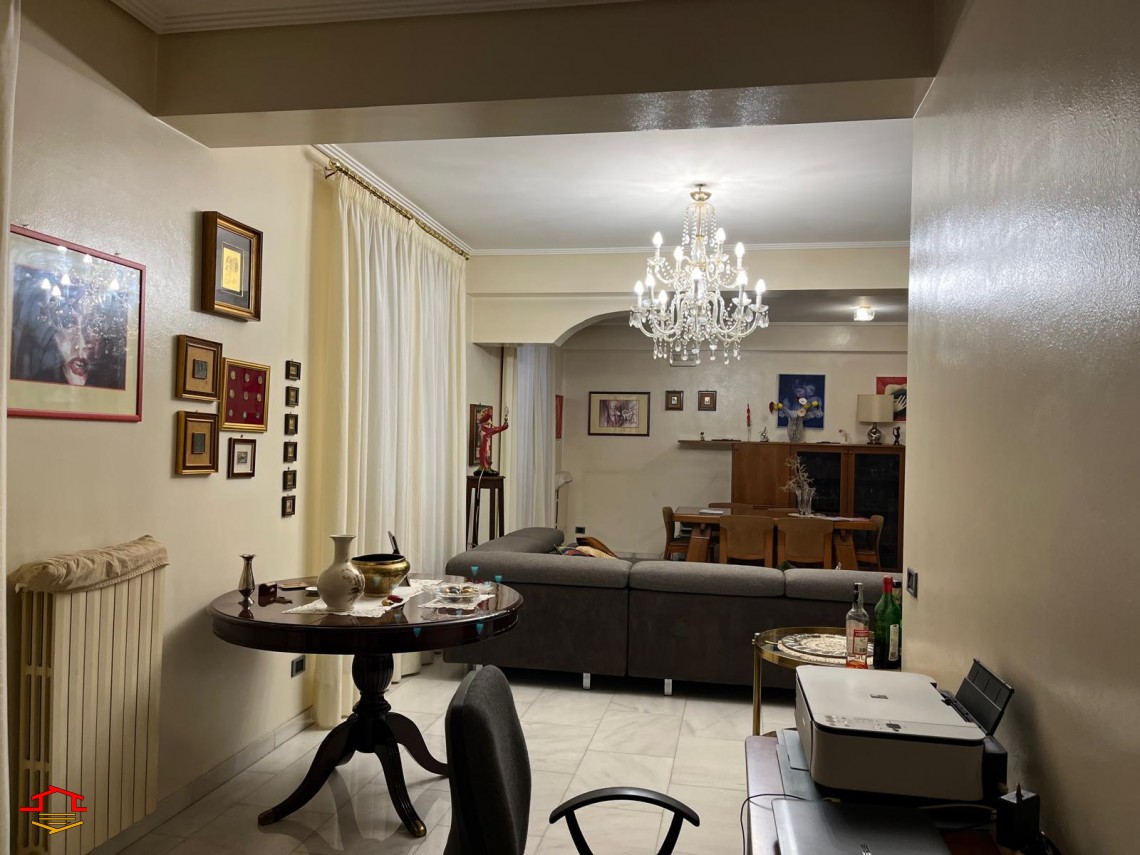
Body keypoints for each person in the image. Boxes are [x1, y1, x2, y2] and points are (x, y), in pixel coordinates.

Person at [476, 407, 509, 474]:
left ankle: (486, 466)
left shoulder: (488, 429)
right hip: (484, 440)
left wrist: (505, 424)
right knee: (484, 451)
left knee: (486, 451)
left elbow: (497, 428)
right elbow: (488, 416)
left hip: (486, 441)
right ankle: (484, 467)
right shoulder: (484, 425)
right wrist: (488, 410)